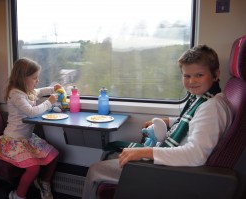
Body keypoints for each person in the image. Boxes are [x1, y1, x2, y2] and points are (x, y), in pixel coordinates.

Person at [81, 44, 233, 199]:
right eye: (187, 76)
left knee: (95, 169)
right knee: (112, 155)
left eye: (199, 75)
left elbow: (196, 155)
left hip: (175, 173)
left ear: (215, 74)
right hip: (174, 164)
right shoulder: (205, 99)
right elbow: (194, 123)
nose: (192, 81)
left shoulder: (211, 108)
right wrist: (167, 121)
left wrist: (145, 152)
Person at [0, 57, 60, 199]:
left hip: (27, 139)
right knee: (33, 168)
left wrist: (53, 88)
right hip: (13, 140)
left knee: (54, 155)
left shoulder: (28, 90)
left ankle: (43, 182)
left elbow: (39, 91)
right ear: (23, 78)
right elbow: (31, 112)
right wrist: (49, 102)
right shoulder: (15, 94)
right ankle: (18, 195)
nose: (37, 81)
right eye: (34, 78)